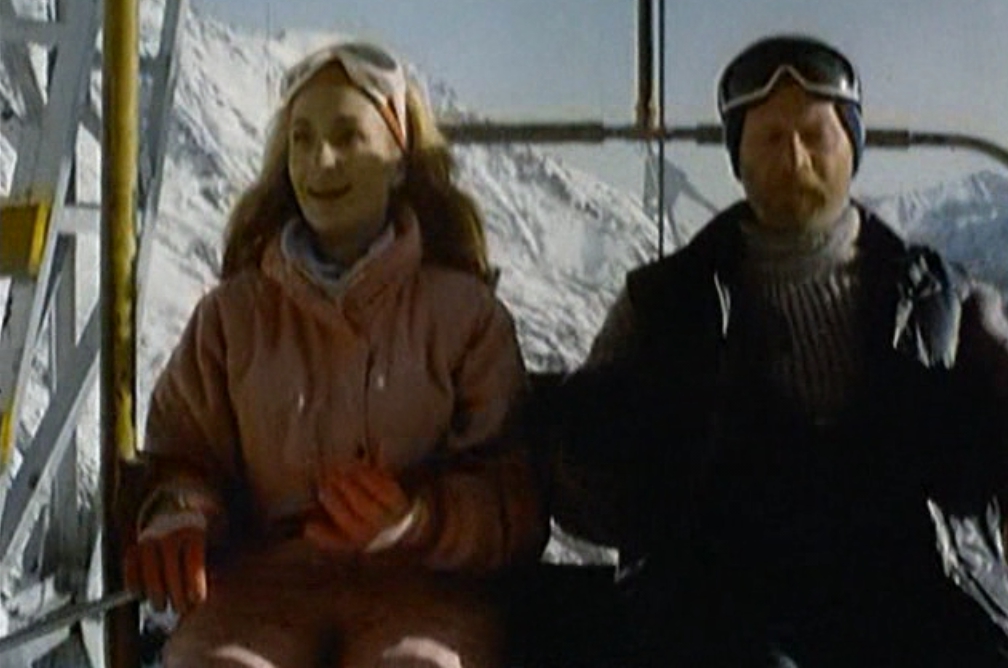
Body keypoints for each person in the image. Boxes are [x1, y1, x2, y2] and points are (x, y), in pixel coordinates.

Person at [549, 34, 1008, 666]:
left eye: (816, 134)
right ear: (738, 157)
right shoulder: (664, 306)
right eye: (767, 138)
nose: (794, 156)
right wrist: (599, 455)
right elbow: (591, 500)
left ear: (853, 145)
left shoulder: (942, 303)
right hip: (721, 599)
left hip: (898, 594)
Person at [123, 39, 548, 668]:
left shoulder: (464, 318)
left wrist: (421, 521)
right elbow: (182, 455)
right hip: (262, 593)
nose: (321, 159)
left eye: (348, 136)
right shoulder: (234, 317)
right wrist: (181, 515)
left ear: (400, 159)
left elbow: (514, 495)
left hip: (423, 591)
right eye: (302, 138)